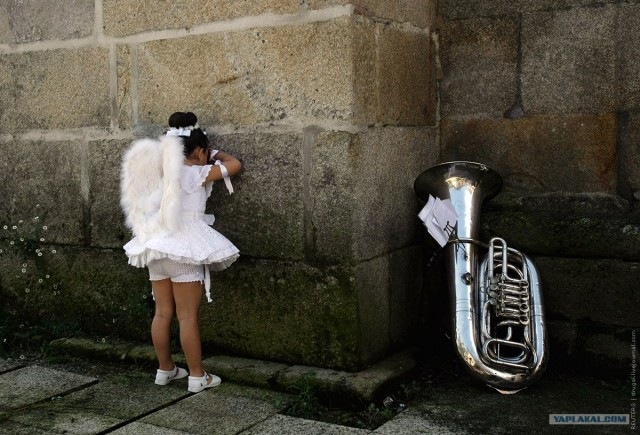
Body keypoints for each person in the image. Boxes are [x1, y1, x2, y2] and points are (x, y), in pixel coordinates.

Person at [120, 112, 241, 393]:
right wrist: (213, 152)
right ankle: (197, 376)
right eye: (203, 150)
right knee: (187, 317)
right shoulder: (199, 171)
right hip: (184, 249)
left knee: (162, 313)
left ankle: (165, 369)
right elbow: (234, 164)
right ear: (199, 150)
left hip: (157, 245)